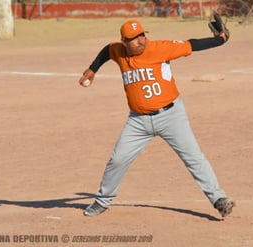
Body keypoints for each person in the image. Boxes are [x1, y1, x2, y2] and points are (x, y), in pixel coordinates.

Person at [78, 19, 235, 219]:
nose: (140, 41)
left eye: (142, 35)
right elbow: (106, 51)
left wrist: (220, 40)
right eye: (134, 39)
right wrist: (92, 70)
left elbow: (192, 44)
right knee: (118, 159)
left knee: (193, 157)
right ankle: (102, 201)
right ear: (124, 41)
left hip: (171, 116)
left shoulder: (161, 48)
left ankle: (219, 199)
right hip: (138, 121)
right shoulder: (118, 51)